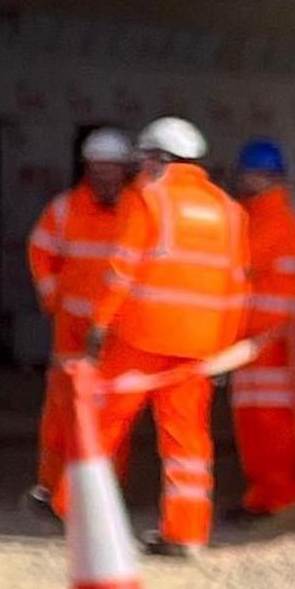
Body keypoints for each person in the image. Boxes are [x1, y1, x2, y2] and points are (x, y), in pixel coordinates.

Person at [83, 116, 250, 557]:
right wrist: (223, 352)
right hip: (199, 348)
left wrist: (100, 323)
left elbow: (121, 270)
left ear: (159, 160)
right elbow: (237, 289)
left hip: (141, 338)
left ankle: (80, 517)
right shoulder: (231, 212)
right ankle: (186, 534)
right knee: (188, 444)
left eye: (144, 160)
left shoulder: (147, 200)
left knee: (103, 425)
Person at [22, 128, 136, 512]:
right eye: (98, 168)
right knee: (60, 413)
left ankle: (103, 492)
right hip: (71, 331)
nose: (105, 175)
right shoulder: (64, 208)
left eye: (112, 168)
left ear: (125, 169)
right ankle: (51, 487)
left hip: (117, 330)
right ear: (87, 168)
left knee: (110, 413)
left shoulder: (140, 211)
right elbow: (40, 251)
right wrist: (54, 297)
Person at [229, 137, 295, 515]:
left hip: (272, 340)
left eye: (254, 173)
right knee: (252, 423)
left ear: (270, 177)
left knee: (272, 423)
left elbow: (239, 262)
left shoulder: (275, 219)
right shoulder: (254, 216)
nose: (247, 180)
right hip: (253, 339)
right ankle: (263, 494)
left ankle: (282, 495)